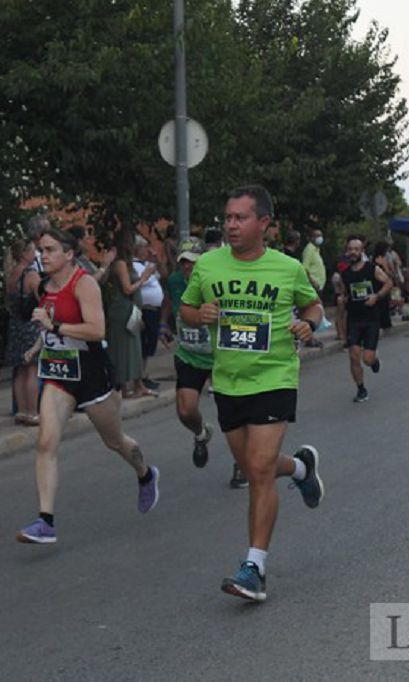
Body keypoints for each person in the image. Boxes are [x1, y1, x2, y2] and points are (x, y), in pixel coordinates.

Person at [180, 185, 324, 602]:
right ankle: (300, 469)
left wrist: (308, 325)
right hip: (228, 380)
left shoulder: (287, 267)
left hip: (275, 376)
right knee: (254, 464)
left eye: (240, 217)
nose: (231, 224)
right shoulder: (208, 266)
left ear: (263, 223)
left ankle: (254, 567)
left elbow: (313, 306)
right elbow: (185, 308)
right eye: (227, 217)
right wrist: (199, 313)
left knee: (258, 470)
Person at [16, 228, 159, 544]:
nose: (44, 255)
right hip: (59, 375)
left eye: (51, 249)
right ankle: (45, 521)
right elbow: (50, 321)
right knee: (45, 443)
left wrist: (54, 326)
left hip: (93, 376)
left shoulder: (84, 284)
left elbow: (96, 330)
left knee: (115, 441)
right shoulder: (44, 286)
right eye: (42, 250)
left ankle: (146, 474)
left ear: (69, 254)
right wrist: (41, 343)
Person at [161, 238, 248, 487]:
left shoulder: (218, 281)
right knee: (186, 410)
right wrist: (163, 323)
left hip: (220, 356)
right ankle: (201, 433)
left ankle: (240, 465)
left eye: (192, 262)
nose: (188, 267)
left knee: (231, 413)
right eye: (184, 263)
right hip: (189, 354)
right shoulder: (177, 281)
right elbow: (170, 301)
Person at [336, 235, 392, 403]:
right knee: (354, 356)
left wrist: (377, 296)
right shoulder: (344, 274)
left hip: (371, 319)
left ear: (362, 251)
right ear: (347, 251)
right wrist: (342, 299)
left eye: (356, 249)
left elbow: (388, 283)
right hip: (354, 319)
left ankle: (374, 360)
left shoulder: (372, 269)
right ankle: (361, 389)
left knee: (366, 359)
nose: (353, 252)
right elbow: (344, 293)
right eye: (350, 249)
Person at [106, 230, 154, 398]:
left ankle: (136, 384)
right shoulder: (120, 264)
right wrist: (144, 278)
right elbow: (127, 288)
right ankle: (126, 385)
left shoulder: (127, 263)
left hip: (130, 309)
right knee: (125, 348)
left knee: (134, 348)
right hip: (122, 310)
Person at [4, 237, 42, 425]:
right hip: (30, 324)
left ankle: (21, 410)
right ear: (25, 253)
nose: (35, 254)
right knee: (32, 370)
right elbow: (42, 297)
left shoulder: (11, 274)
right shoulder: (31, 274)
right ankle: (33, 411)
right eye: (33, 250)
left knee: (19, 369)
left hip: (16, 324)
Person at [133, 235, 164, 392]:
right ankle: (140, 377)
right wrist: (150, 268)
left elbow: (161, 274)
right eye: (144, 247)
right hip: (145, 309)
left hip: (154, 309)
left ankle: (144, 375)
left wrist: (155, 260)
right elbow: (139, 281)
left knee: (150, 344)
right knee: (144, 344)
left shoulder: (146, 264)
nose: (147, 250)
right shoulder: (134, 265)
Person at [373, 241, 395, 331]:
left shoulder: (373, 258)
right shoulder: (382, 259)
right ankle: (384, 323)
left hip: (377, 283)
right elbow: (387, 272)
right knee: (383, 303)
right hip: (382, 282)